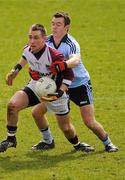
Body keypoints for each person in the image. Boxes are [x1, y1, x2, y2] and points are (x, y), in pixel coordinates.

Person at [0, 23, 94, 153]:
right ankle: (11, 139)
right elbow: (25, 58)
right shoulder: (27, 49)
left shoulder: (54, 55)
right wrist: (15, 70)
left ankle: (77, 144)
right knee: (12, 105)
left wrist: (59, 92)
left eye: (36, 38)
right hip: (37, 85)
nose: (32, 41)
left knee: (66, 128)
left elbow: (69, 74)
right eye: (30, 37)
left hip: (55, 92)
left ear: (44, 39)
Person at [30, 12, 118, 152]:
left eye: (58, 24)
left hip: (79, 85)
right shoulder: (46, 41)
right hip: (59, 86)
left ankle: (108, 143)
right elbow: (32, 52)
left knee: (89, 121)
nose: (54, 27)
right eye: (53, 23)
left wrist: (62, 65)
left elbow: (75, 60)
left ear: (67, 27)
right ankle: (48, 141)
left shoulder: (71, 43)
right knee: (37, 113)